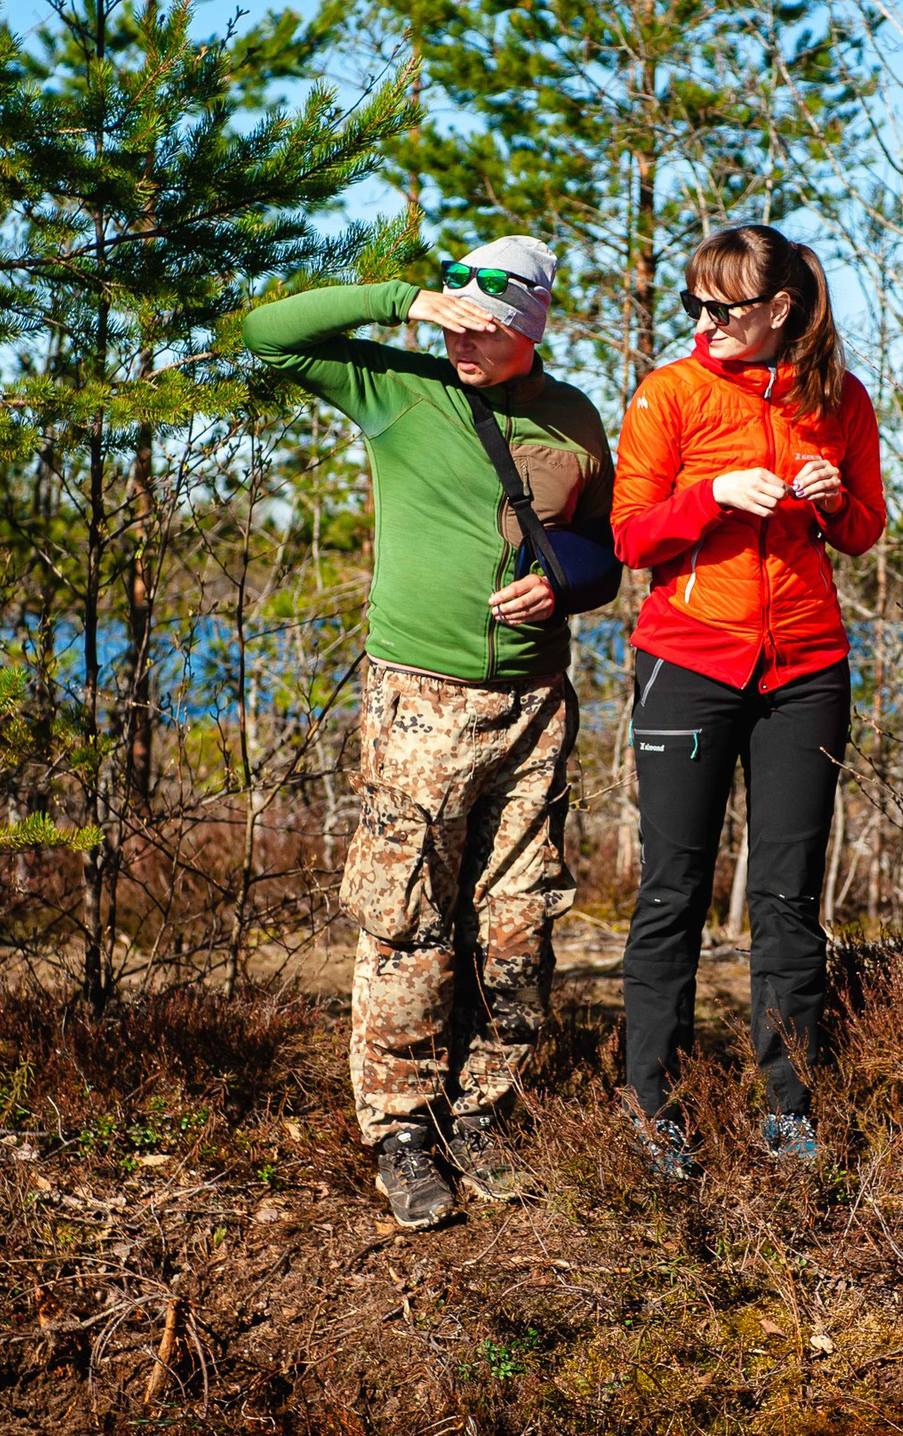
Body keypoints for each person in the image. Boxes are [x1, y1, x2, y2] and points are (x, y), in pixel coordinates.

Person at [241, 236, 619, 1231]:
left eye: (484, 329)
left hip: (535, 704)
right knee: (407, 916)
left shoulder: (575, 417)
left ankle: (481, 1112)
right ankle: (401, 1129)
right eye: (454, 323)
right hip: (419, 700)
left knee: (516, 923)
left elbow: (604, 550)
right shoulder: (399, 388)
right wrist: (403, 298)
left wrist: (565, 585)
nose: (462, 341)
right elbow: (266, 333)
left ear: (529, 329)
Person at [612, 224, 886, 1175]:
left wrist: (830, 495)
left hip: (806, 669)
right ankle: (655, 1107)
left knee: (787, 897)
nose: (704, 320)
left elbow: (863, 531)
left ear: (780, 307)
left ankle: (789, 1111)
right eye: (694, 302)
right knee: (672, 891)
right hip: (688, 662)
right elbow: (630, 536)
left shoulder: (839, 398)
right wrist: (715, 493)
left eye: (722, 307)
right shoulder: (670, 393)